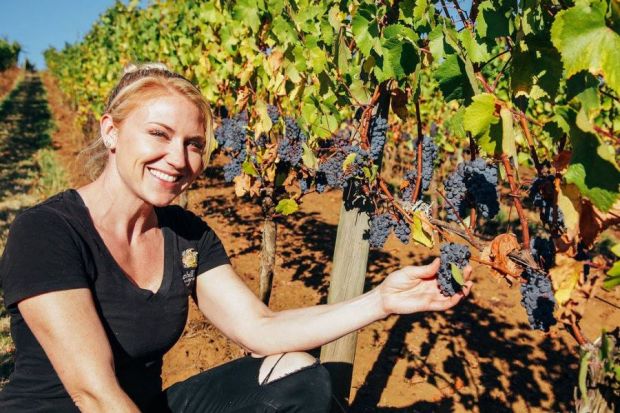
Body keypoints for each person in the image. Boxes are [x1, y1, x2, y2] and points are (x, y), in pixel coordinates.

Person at [0, 63, 473, 413]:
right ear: (111, 132)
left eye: (193, 144)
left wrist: (382, 301)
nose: (178, 158)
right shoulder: (47, 232)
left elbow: (260, 330)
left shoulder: (186, 236)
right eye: (159, 134)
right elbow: (94, 393)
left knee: (301, 376)